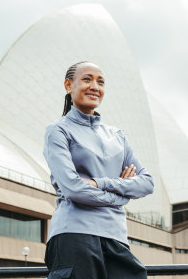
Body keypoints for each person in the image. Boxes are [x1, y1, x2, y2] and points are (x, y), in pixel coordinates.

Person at [43, 61, 155, 279]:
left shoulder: (117, 136)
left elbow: (147, 183)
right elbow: (74, 189)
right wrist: (123, 196)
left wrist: (100, 183)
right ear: (68, 85)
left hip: (116, 237)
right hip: (74, 235)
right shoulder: (58, 131)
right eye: (87, 79)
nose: (95, 86)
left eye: (100, 82)